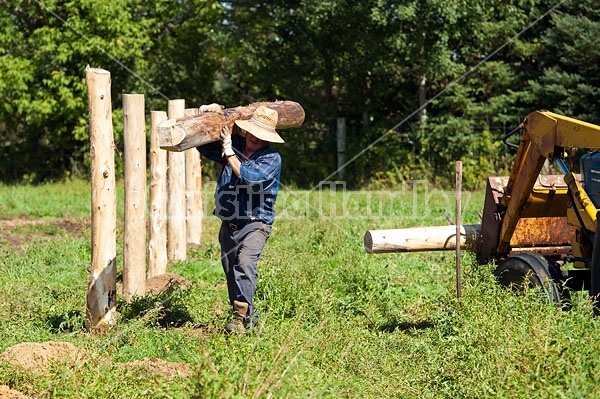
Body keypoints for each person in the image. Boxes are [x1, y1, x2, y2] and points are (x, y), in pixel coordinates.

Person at [197, 105, 284, 333]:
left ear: (268, 138)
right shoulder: (234, 146)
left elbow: (250, 178)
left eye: (260, 135)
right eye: (252, 131)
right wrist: (207, 117)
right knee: (230, 269)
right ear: (246, 131)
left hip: (256, 223)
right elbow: (204, 147)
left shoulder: (271, 159)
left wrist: (229, 152)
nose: (254, 137)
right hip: (230, 223)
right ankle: (245, 319)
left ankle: (239, 316)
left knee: (244, 263)